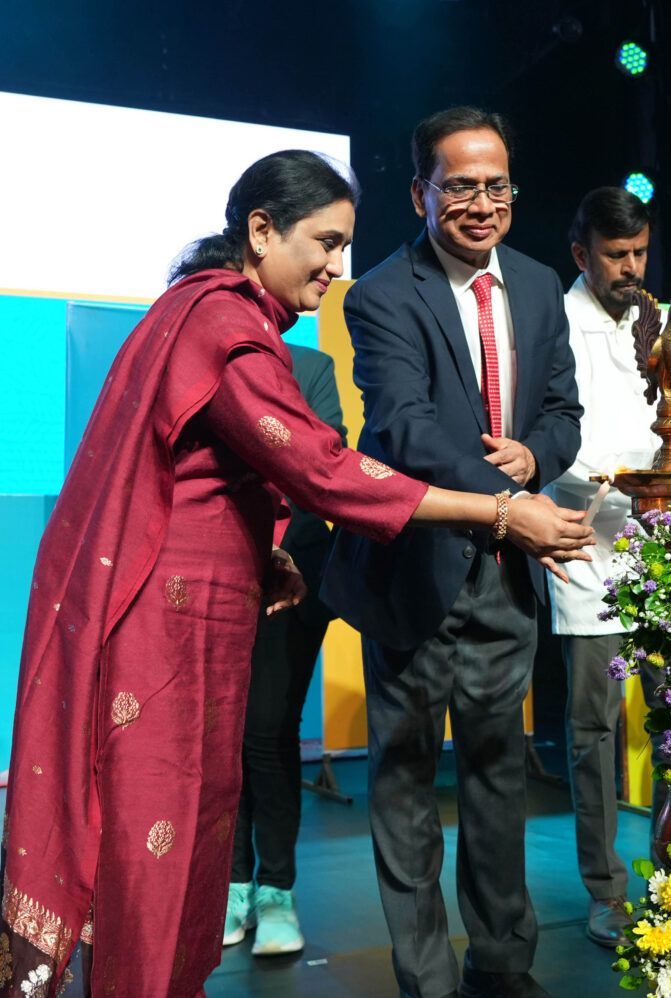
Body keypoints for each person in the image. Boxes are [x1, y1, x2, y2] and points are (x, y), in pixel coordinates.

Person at [0, 150, 592, 998]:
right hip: (161, 626)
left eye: (345, 245)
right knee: (149, 836)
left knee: (195, 820)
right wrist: (502, 512)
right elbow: (325, 471)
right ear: (261, 230)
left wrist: (262, 550)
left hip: (204, 610)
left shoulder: (217, 317)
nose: (336, 266)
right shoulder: (224, 323)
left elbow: (197, 471)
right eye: (324, 242)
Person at [320, 107, 583, 998]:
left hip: (504, 583)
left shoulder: (543, 285)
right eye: (460, 185)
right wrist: (508, 500)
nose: (482, 202)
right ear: (420, 193)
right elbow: (402, 427)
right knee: (402, 786)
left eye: (496, 184)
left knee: (496, 778)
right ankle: (426, 978)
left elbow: (563, 412)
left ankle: (504, 965)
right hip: (411, 572)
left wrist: (538, 455)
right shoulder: (381, 293)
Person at [545, 187, 671, 948]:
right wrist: (633, 480)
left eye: (641, 252)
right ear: (581, 253)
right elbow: (548, 436)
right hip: (588, 550)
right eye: (617, 255)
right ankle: (606, 892)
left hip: (663, 552)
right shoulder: (551, 319)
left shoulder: (661, 319)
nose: (632, 267)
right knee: (594, 735)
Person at [224, 344, 347, 955]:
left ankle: (275, 887)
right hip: (217, 567)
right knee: (225, 734)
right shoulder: (210, 355)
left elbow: (322, 468)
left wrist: (289, 555)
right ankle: (232, 881)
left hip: (292, 572)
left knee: (268, 731)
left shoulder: (310, 365)